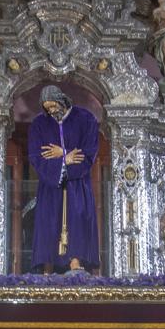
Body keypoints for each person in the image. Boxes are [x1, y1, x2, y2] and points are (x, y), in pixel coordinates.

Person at [28, 85, 99, 273]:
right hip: (50, 186)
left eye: (53, 106)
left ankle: (75, 264)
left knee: (77, 218)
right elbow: (36, 157)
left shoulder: (85, 119)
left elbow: (88, 154)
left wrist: (63, 154)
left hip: (77, 185)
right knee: (49, 222)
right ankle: (47, 268)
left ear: (62, 101)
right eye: (47, 108)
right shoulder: (39, 125)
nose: (51, 111)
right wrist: (65, 160)